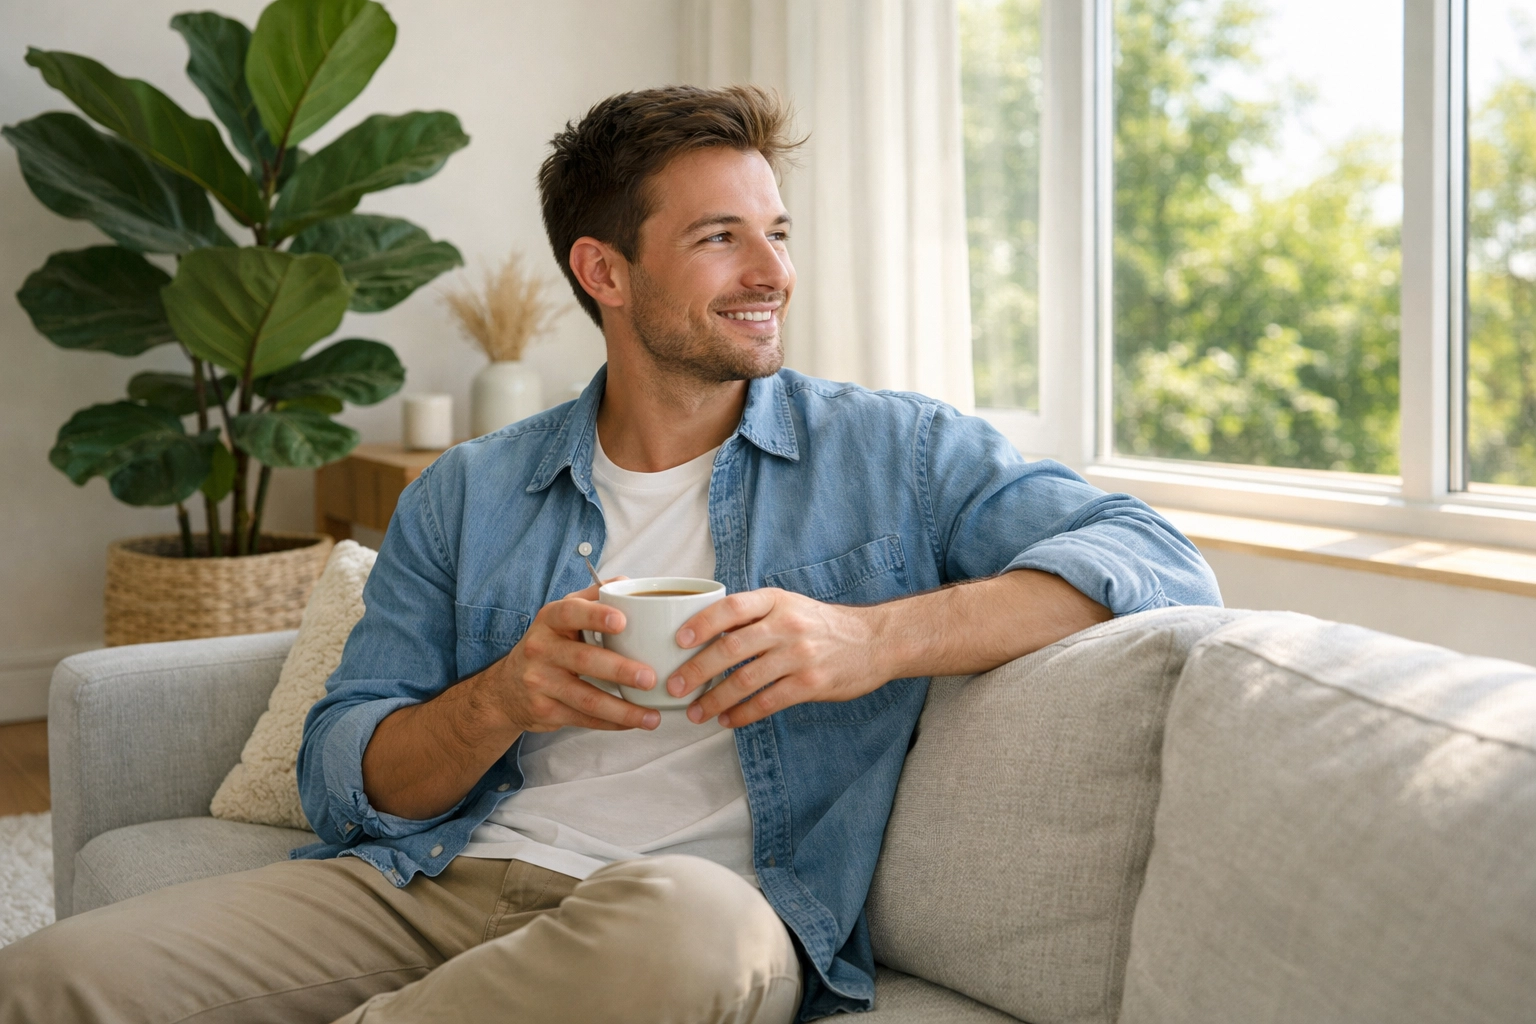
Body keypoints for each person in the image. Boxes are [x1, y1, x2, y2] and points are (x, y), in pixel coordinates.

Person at [0, 85, 1219, 1024]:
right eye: (722, 239)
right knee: (53, 977)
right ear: (606, 272)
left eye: (778, 233)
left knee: (696, 934)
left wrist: (868, 637)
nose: (773, 274)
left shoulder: (893, 451)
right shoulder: (472, 489)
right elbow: (343, 773)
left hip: (697, 912)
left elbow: (1157, 559)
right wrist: (497, 699)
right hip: (444, 880)